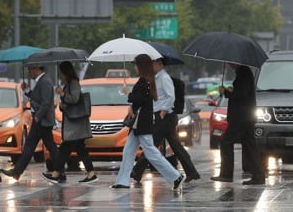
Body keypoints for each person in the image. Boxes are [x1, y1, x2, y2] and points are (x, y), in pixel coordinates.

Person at [111, 54, 185, 190]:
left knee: (151, 152)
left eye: (136, 64)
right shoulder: (147, 79)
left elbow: (140, 99)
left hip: (143, 121)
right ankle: (122, 181)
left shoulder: (146, 80)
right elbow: (140, 100)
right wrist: (131, 105)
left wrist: (128, 93)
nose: (135, 67)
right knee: (128, 151)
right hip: (139, 122)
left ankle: (175, 176)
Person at [131, 58, 200, 182]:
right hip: (165, 116)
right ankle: (192, 172)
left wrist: (164, 110)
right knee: (175, 145)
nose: (151, 66)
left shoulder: (164, 78)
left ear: (160, 64)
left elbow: (171, 96)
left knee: (151, 145)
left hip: (165, 116)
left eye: (153, 63)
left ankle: (137, 170)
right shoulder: (157, 77)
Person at [1, 65, 62, 181]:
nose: (29, 72)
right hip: (40, 119)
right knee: (38, 145)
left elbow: (46, 102)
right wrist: (27, 90)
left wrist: (38, 116)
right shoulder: (42, 82)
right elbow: (36, 98)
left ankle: (59, 171)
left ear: (37, 69)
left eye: (30, 70)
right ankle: (17, 171)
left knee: (42, 145)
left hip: (42, 120)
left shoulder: (45, 82)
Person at [42, 61, 97, 183]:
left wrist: (62, 93)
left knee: (65, 149)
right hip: (73, 123)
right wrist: (62, 104)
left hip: (75, 123)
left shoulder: (74, 83)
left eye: (61, 73)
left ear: (66, 72)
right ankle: (91, 173)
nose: (60, 76)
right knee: (80, 149)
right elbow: (69, 102)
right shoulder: (69, 83)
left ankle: (56, 174)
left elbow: (74, 99)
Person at [211, 63, 265, 185]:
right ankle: (258, 176)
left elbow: (242, 95)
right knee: (251, 146)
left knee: (226, 142)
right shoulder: (243, 72)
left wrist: (227, 92)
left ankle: (226, 174)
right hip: (245, 117)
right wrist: (229, 90)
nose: (229, 65)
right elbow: (241, 93)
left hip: (241, 117)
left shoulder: (244, 73)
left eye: (231, 62)